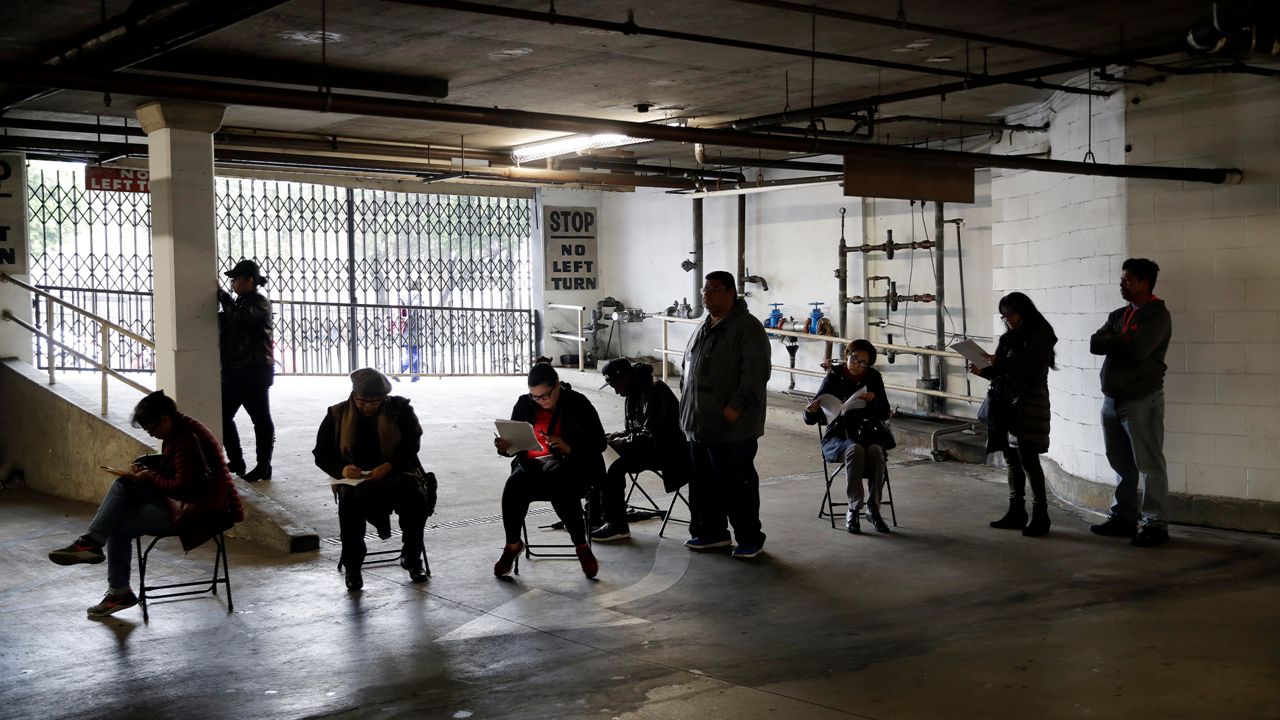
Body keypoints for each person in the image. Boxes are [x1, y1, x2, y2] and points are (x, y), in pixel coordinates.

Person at [48, 390, 245, 617]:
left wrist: (149, 477)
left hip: (201, 512)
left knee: (120, 518)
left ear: (164, 419)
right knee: (125, 488)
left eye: (152, 429)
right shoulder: (178, 433)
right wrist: (146, 466)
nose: (152, 435)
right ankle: (95, 553)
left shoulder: (187, 439)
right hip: (187, 503)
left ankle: (109, 577)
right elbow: (180, 470)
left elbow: (181, 486)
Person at [679, 270, 772, 559]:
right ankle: (711, 533)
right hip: (699, 424)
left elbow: (755, 377)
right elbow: (688, 371)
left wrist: (733, 410)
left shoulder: (747, 328)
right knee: (703, 485)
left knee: (736, 485)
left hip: (732, 429)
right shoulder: (704, 327)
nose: (706, 295)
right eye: (703, 291)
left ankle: (749, 538)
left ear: (731, 292)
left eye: (713, 290)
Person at [313, 368, 432, 590]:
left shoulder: (400, 409)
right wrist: (342, 469)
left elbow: (412, 445)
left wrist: (388, 466)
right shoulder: (337, 414)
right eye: (362, 401)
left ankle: (412, 558)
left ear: (384, 398)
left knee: (415, 500)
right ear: (353, 395)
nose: (367, 406)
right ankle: (353, 566)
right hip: (355, 479)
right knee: (350, 506)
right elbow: (321, 454)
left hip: (395, 472)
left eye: (374, 401)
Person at [1089, 258, 1173, 547]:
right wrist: (1121, 338)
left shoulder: (1157, 316)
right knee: (1121, 463)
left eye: (1127, 280)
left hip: (1141, 399)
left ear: (1144, 283)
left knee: (1149, 464)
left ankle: (1155, 524)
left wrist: (1117, 340)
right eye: (1122, 279)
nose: (1121, 284)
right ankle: (1124, 518)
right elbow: (1093, 344)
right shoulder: (1118, 314)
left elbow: (1138, 351)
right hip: (1112, 400)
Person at [493, 363, 604, 578]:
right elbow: (516, 445)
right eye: (535, 397)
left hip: (573, 467)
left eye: (544, 396)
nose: (540, 401)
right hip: (532, 467)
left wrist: (569, 447)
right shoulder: (525, 405)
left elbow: (599, 443)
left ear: (557, 385)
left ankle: (581, 545)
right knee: (513, 485)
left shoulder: (578, 403)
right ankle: (513, 544)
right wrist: (506, 447)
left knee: (559, 482)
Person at [969, 292, 1058, 537]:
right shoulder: (1009, 338)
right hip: (1005, 402)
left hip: (1029, 402)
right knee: (1011, 457)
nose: (1007, 319)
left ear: (1023, 311)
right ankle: (1016, 511)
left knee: (1028, 457)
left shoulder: (1040, 335)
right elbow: (1002, 371)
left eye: (1010, 314)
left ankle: (1041, 515)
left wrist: (999, 362)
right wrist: (983, 370)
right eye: (1003, 315)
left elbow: (1030, 370)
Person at [593, 357, 691, 542]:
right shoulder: (632, 390)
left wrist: (621, 442)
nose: (615, 391)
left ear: (626, 377)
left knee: (614, 464)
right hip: (647, 446)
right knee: (600, 453)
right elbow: (635, 430)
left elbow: (652, 437)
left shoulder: (654, 390)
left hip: (668, 451)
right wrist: (615, 436)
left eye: (616, 385)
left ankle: (617, 525)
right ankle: (598, 517)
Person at [804, 339, 893, 534]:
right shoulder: (834, 376)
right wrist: (811, 411)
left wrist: (874, 400)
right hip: (839, 436)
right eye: (854, 359)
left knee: (877, 451)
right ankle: (854, 508)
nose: (857, 366)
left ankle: (873, 509)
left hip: (867, 433)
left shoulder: (873, 377)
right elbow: (815, 415)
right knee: (855, 450)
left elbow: (884, 412)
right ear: (847, 355)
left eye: (863, 363)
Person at [218, 259, 275, 482]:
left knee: (260, 419)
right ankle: (237, 460)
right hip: (233, 371)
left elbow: (242, 320)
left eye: (236, 279)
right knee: (222, 416)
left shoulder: (259, 303)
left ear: (250, 280)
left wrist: (223, 297)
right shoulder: (239, 302)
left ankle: (263, 466)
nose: (232, 283)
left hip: (253, 371)